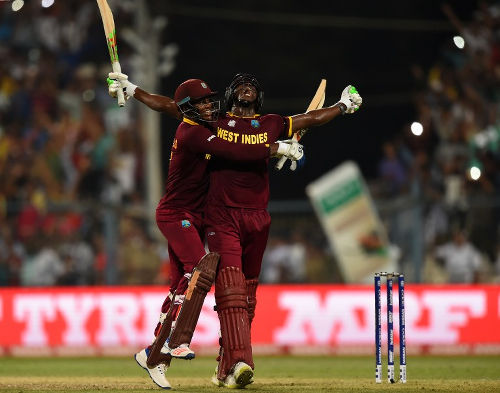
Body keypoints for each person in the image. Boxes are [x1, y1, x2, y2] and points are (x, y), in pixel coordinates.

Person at [108, 72, 362, 388]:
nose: (247, 88)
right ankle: (227, 357)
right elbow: (175, 109)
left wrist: (342, 105)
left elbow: (310, 118)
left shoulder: (270, 123)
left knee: (243, 293)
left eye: (253, 86)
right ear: (230, 95)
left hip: (257, 217)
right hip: (218, 216)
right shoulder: (212, 124)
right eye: (241, 85)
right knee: (225, 287)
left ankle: (215, 365)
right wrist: (277, 150)